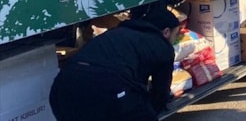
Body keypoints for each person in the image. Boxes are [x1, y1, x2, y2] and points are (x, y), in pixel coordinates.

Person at [49, 8, 180, 121]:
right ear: (166, 32)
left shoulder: (117, 33)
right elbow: (160, 93)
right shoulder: (163, 46)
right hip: (105, 86)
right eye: (176, 33)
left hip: (62, 86)